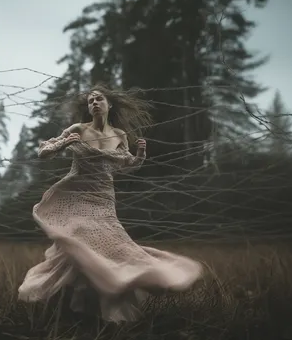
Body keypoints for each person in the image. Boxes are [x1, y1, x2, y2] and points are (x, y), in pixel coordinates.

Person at [17, 85, 203, 322]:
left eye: (99, 99)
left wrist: (141, 156)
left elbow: (126, 165)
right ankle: (66, 306)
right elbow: (44, 151)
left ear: (109, 104)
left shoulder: (119, 135)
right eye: (90, 100)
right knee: (79, 236)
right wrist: (62, 144)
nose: (94, 103)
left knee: (108, 245)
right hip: (76, 194)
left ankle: (92, 305)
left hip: (103, 198)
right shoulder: (78, 129)